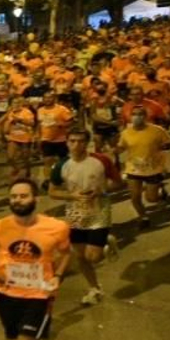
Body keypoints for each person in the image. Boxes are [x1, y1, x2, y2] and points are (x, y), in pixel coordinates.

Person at [0, 180, 71, 340]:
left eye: (23, 196)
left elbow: (66, 253)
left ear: (35, 199)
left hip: (38, 295)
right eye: (14, 196)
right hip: (5, 294)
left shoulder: (57, 227)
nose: (17, 200)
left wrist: (58, 275)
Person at [46, 130, 111, 307]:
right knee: (81, 256)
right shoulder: (61, 166)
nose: (76, 145)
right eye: (72, 141)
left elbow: (119, 183)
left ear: (87, 143)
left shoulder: (101, 161)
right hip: (75, 215)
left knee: (93, 257)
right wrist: (72, 196)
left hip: (99, 213)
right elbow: (52, 192)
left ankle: (105, 244)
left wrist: (100, 191)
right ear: (67, 143)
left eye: (81, 141)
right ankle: (95, 288)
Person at [116, 106, 170, 229]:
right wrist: (115, 151)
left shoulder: (157, 130)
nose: (137, 117)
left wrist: (163, 147)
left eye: (140, 114)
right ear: (130, 117)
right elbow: (121, 147)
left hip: (153, 168)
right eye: (134, 114)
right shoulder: (126, 133)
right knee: (135, 197)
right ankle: (143, 217)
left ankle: (160, 193)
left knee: (151, 199)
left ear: (146, 117)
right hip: (133, 168)